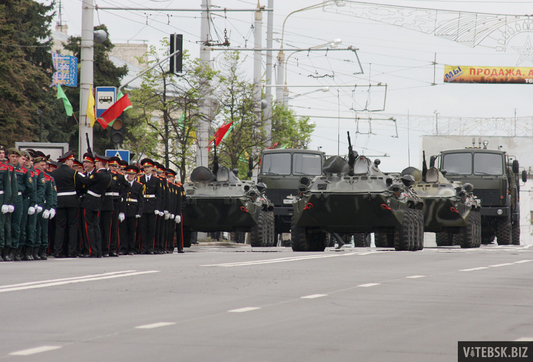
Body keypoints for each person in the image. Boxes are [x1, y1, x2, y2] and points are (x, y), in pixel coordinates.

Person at [51, 151, 84, 258]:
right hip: (72, 201)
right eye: (71, 161)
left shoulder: (54, 173)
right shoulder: (73, 173)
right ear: (68, 161)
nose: (72, 164)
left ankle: (58, 250)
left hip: (59, 200)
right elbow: (80, 185)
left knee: (60, 226)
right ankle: (71, 250)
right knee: (73, 226)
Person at [80, 154, 111, 258]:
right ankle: (98, 250)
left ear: (99, 163)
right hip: (98, 201)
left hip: (89, 200)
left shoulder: (98, 174)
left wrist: (78, 174)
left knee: (88, 226)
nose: (95, 164)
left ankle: (90, 251)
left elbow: (85, 181)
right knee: (96, 226)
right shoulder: (108, 175)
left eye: (96, 162)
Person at [8, 148, 33, 261]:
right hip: (6, 197)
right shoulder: (5, 168)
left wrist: (21, 195)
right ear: (9, 157)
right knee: (5, 225)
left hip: (18, 197)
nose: (14, 159)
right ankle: (5, 249)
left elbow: (29, 187)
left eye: (16, 157)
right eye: (12, 156)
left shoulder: (24, 171)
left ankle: (16, 249)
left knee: (17, 225)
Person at [138, 158, 162, 254]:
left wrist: (157, 208)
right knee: (143, 228)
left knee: (151, 228)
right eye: (145, 167)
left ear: (152, 168)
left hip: (152, 205)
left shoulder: (156, 180)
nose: (146, 169)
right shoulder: (140, 179)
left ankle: (150, 247)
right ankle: (144, 247)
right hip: (143, 205)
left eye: (148, 167)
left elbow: (160, 195)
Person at [119, 165, 144, 255]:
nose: (131, 176)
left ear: (135, 175)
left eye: (132, 174)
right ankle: (123, 248)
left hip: (133, 209)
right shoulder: (123, 185)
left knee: (132, 230)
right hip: (125, 209)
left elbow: (141, 199)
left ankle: (131, 248)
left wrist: (139, 211)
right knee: (123, 230)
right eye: (129, 174)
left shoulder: (139, 186)